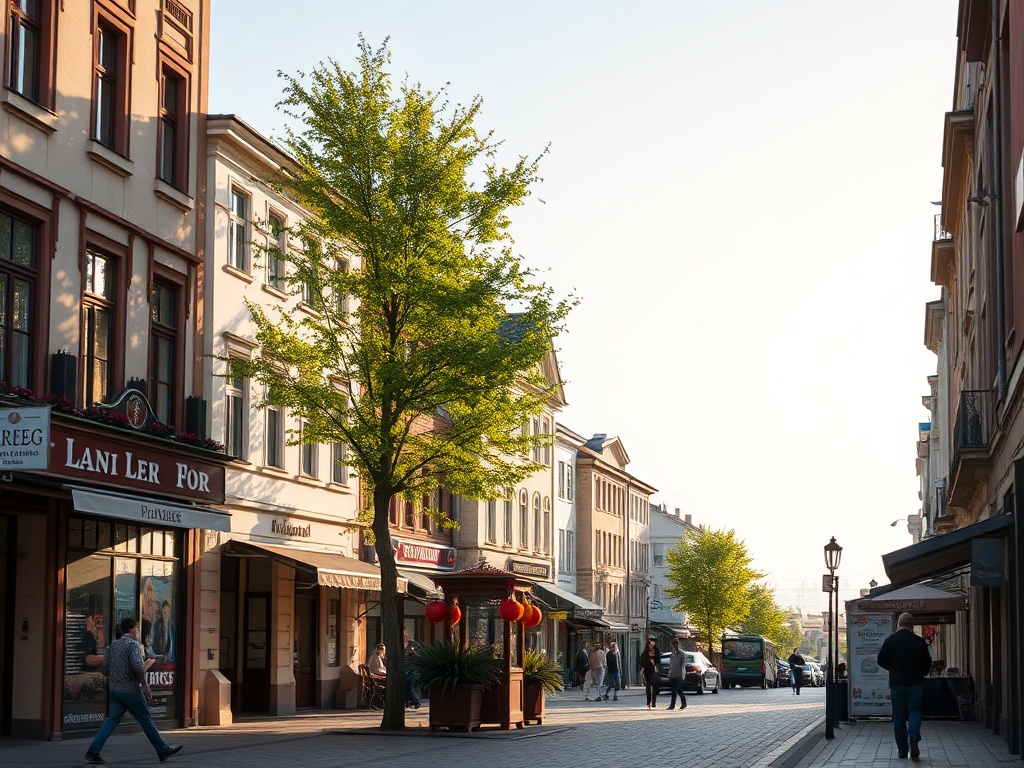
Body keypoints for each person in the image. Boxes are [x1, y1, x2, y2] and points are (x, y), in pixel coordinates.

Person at [84, 617, 182, 765]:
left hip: (115, 691)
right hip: (130, 690)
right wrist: (147, 682)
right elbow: (138, 667)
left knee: (111, 720)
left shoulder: (112, 647)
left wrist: (117, 674)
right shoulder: (133, 645)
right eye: (137, 628)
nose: (139, 631)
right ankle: (162, 749)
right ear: (131, 630)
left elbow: (104, 670)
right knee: (145, 719)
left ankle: (92, 751)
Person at [877, 612, 932, 761]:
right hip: (915, 683)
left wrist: (893, 668)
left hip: (897, 684)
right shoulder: (919, 642)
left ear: (899, 625)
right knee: (914, 711)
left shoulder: (890, 640)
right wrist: (921, 672)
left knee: (899, 716)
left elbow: (880, 660)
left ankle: (902, 750)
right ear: (912, 626)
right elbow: (927, 662)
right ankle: (913, 735)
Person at [639, 637, 661, 710]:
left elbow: (658, 660)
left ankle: (653, 702)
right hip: (647, 670)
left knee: (654, 686)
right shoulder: (645, 653)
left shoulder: (656, 650)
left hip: (655, 671)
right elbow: (642, 662)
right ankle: (649, 702)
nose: (652, 646)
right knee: (648, 686)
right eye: (651, 645)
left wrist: (653, 657)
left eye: (653, 645)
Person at [666, 638, 687, 711]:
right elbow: (671, 664)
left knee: (679, 689)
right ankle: (672, 705)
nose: (673, 647)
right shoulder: (672, 653)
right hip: (672, 674)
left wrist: (682, 673)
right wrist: (669, 671)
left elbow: (683, 664)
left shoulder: (681, 653)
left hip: (679, 674)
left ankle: (684, 702)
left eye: (673, 645)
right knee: (673, 691)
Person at [403, 641, 420, 709]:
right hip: (409, 672)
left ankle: (415, 701)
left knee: (408, 686)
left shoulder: (412, 655)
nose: (408, 650)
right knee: (407, 686)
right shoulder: (408, 655)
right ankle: (410, 701)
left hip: (411, 672)